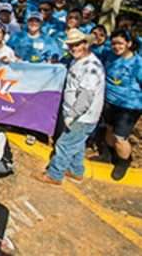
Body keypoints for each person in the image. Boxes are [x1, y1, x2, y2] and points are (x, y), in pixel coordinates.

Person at [36, 28, 105, 185]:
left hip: (82, 116)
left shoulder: (91, 67)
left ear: (85, 44)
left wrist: (72, 115)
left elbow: (86, 96)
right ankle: (75, 171)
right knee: (77, 144)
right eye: (71, 45)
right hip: (77, 114)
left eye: (77, 44)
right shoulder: (78, 60)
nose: (74, 48)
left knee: (64, 144)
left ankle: (55, 175)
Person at [91, 30, 140, 180]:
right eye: (113, 43)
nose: (116, 46)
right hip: (109, 102)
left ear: (129, 44)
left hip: (129, 107)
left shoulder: (138, 64)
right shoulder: (110, 56)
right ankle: (107, 155)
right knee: (109, 129)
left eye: (120, 43)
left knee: (120, 137)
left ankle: (123, 162)